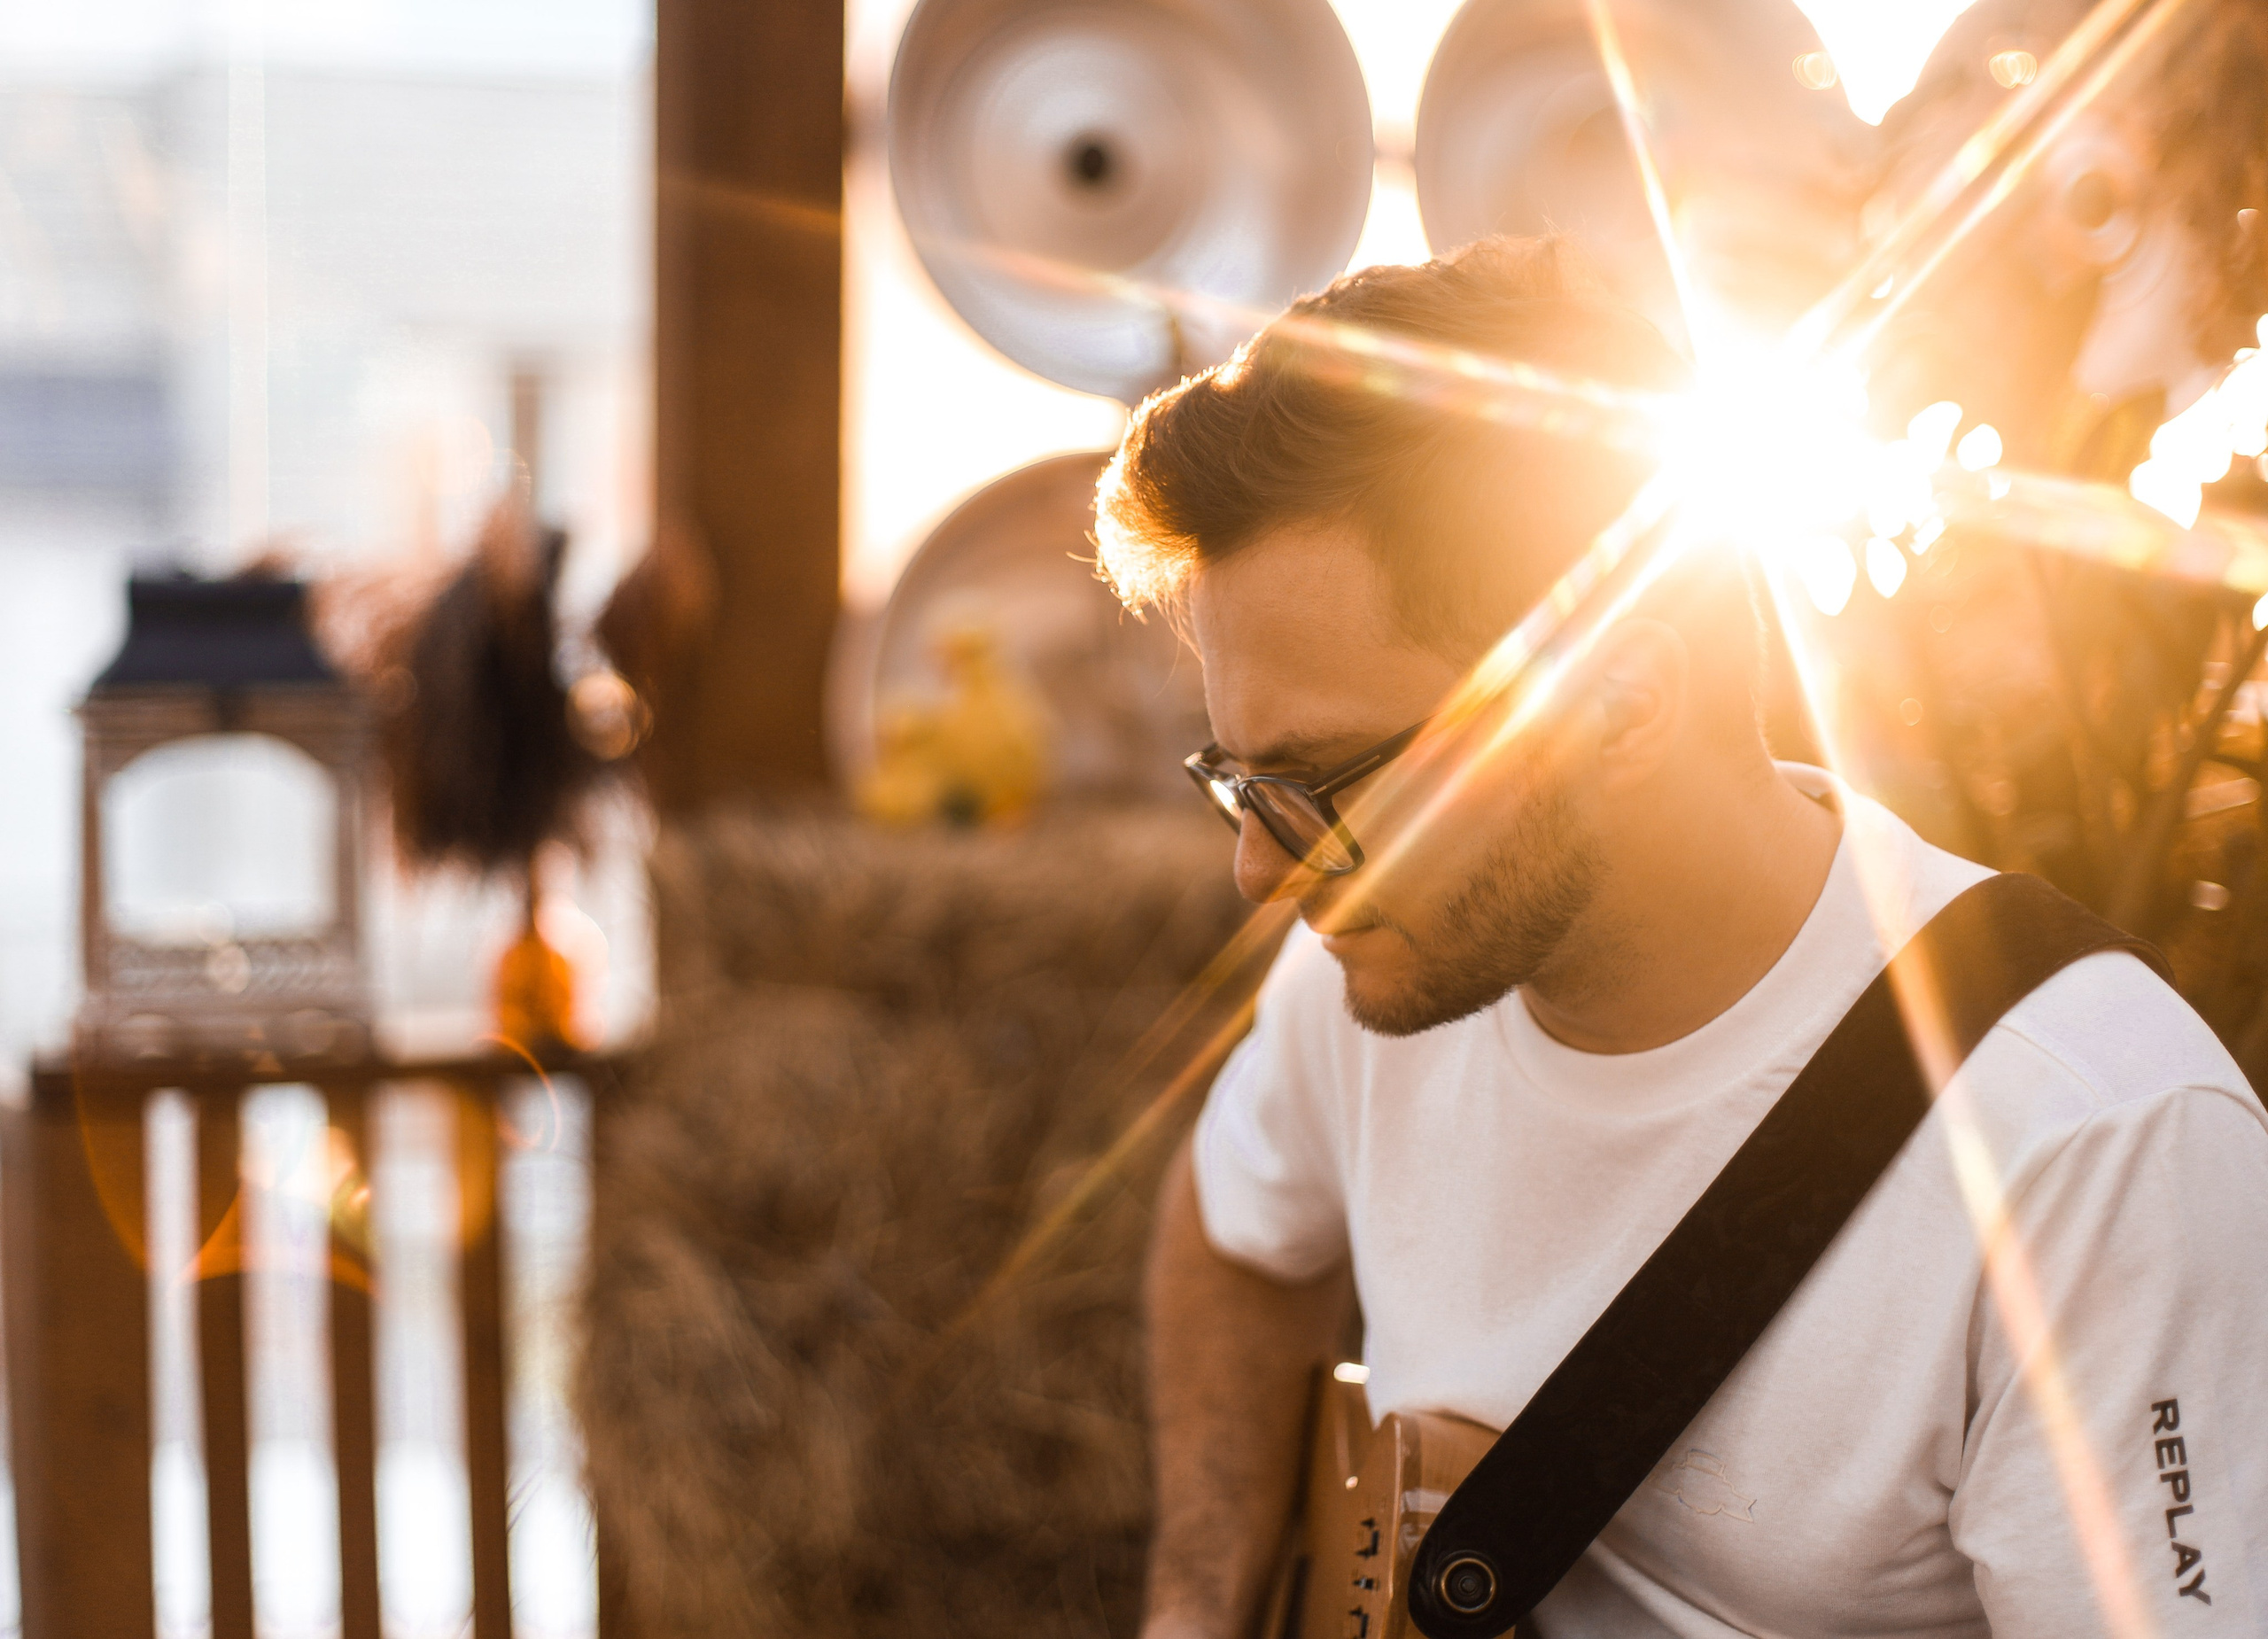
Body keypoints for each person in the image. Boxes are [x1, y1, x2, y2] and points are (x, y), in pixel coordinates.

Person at [1094, 235, 2268, 1637]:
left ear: (1625, 704)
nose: (1260, 871)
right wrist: (1195, 1609)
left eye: (1321, 784)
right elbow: (1232, 1228)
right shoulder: (1367, 957)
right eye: (1239, 781)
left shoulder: (2097, 1150)